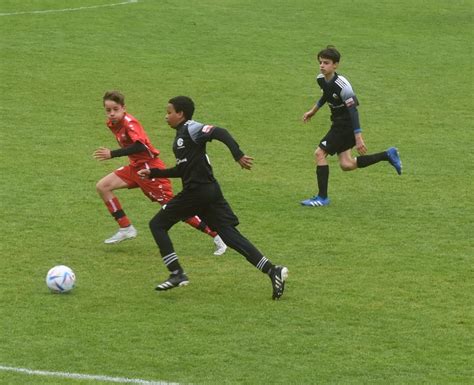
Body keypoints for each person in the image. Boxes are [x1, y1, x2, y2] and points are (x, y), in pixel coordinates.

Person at [138, 96, 288, 300]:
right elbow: (183, 170)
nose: (166, 117)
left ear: (180, 114)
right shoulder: (181, 137)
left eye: (169, 112)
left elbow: (220, 132)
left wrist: (238, 155)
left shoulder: (191, 128)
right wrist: (154, 174)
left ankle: (176, 273)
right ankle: (272, 270)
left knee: (157, 224)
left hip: (196, 192)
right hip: (208, 191)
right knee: (229, 236)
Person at [93, 91, 227, 255]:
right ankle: (126, 227)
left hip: (149, 169)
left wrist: (112, 154)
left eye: (115, 109)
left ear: (124, 108)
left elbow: (141, 146)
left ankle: (217, 235)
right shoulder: (112, 123)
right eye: (108, 110)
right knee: (103, 186)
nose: (112, 114)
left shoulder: (130, 124)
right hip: (135, 168)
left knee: (175, 208)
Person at [300, 46, 402, 207]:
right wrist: (313, 111)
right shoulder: (320, 78)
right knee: (346, 164)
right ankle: (387, 155)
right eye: (320, 62)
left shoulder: (343, 85)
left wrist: (358, 137)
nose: (322, 65)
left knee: (319, 153)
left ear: (335, 65)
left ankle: (322, 197)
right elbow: (326, 95)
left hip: (345, 125)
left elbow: (353, 110)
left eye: (326, 63)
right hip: (338, 123)